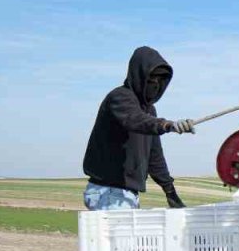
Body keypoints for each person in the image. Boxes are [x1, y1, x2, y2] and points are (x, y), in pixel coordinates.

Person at [82, 46, 195, 211]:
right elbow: (135, 119)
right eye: (151, 79)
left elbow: (155, 156)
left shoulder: (149, 111)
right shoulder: (120, 97)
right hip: (109, 192)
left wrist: (170, 192)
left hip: (126, 195)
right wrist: (167, 125)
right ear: (139, 75)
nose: (155, 84)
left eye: (160, 80)